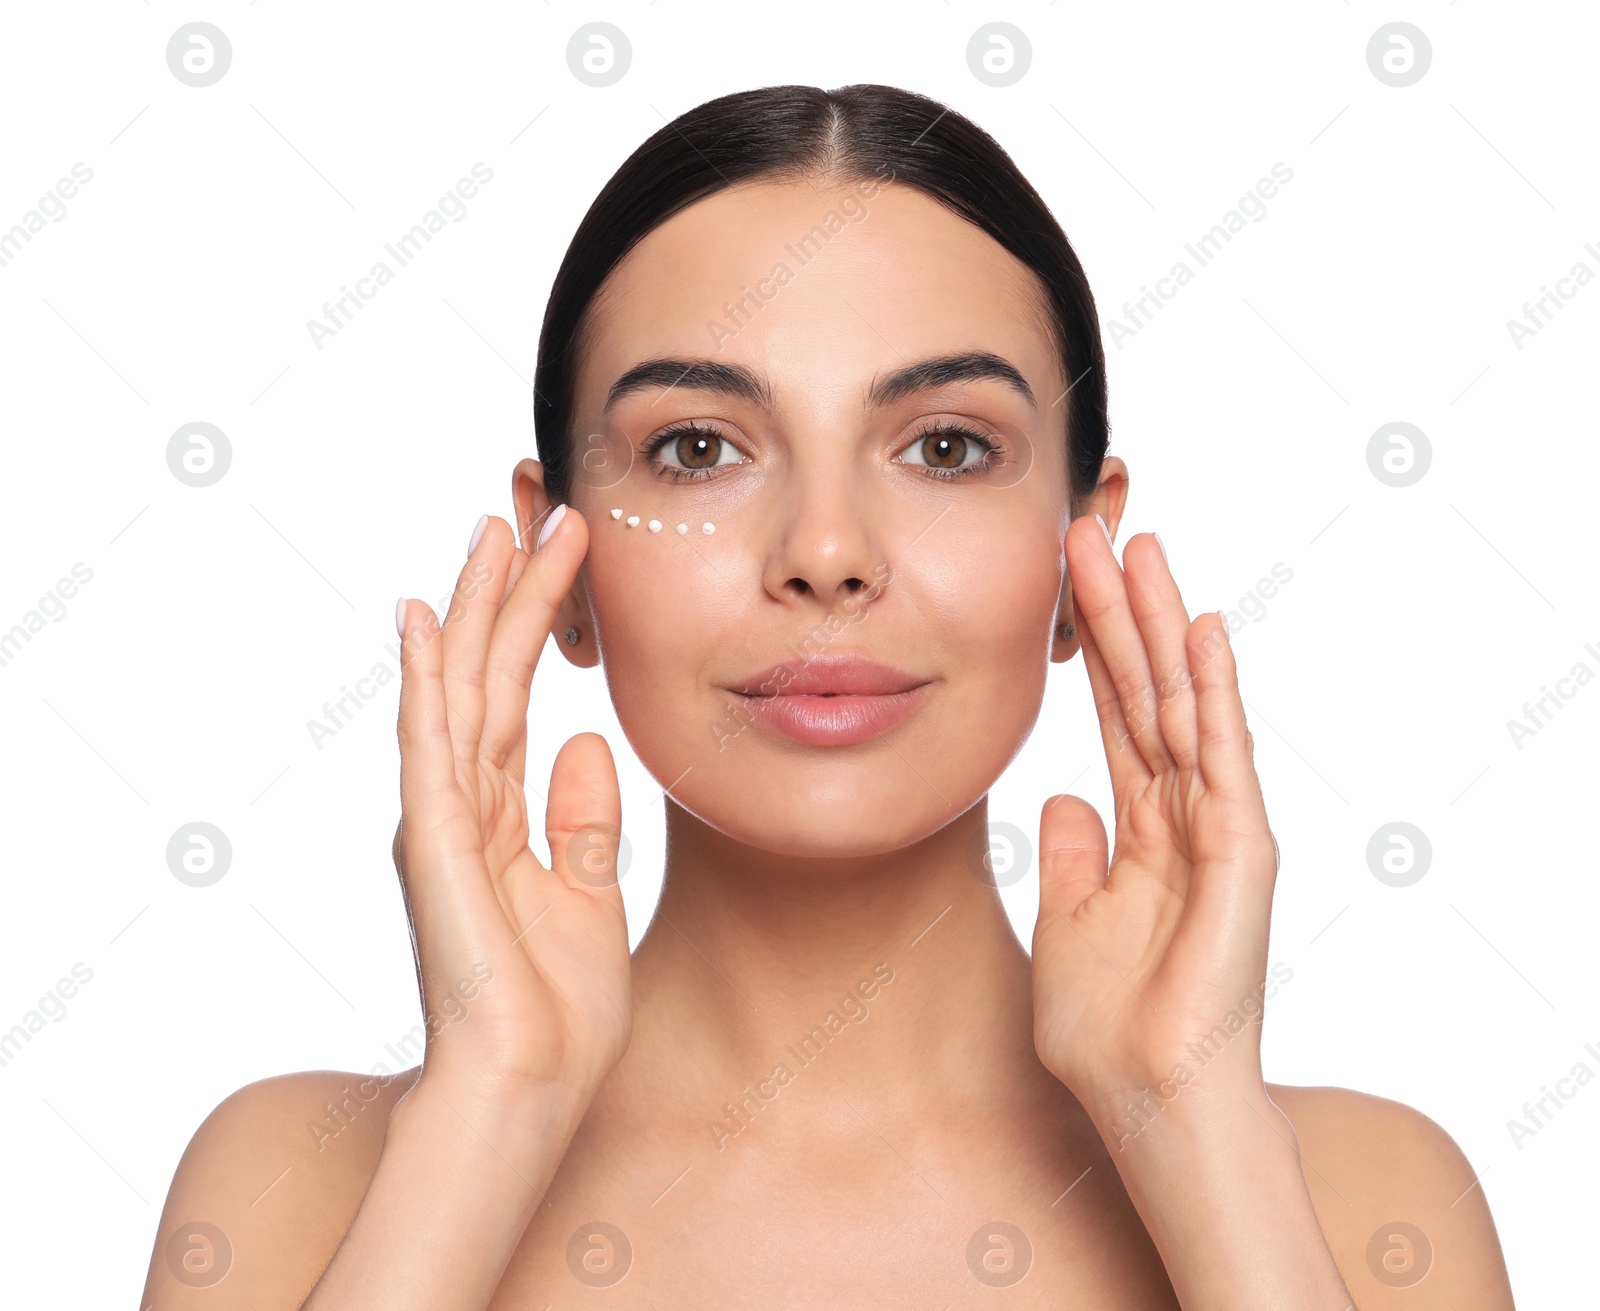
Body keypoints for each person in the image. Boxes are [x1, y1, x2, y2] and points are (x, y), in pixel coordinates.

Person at [141, 84, 1515, 1308]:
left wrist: (1189, 1119)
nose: (826, 554)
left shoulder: (1367, 1199)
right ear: (556, 561)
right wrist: (494, 1105)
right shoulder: (294, 1187)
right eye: (695, 447)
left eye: (944, 445)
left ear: (1076, 551)